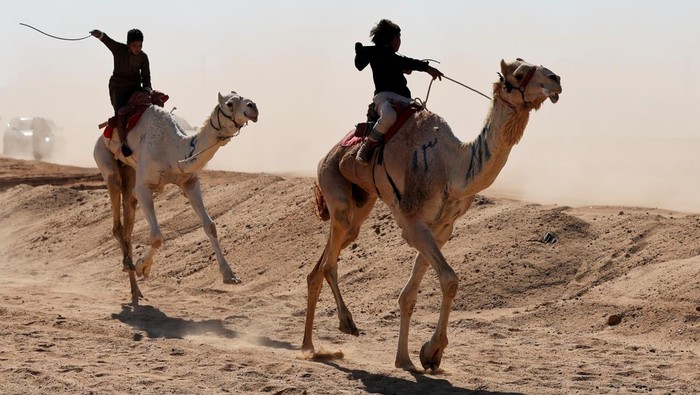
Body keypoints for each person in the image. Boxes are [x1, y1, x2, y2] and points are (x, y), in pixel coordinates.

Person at [354, 19, 443, 164]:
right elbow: (402, 61)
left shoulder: (386, 57)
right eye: (399, 37)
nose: (400, 41)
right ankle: (368, 145)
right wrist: (427, 68)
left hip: (405, 100)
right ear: (393, 38)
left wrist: (401, 68)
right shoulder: (383, 54)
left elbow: (396, 63)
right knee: (389, 116)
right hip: (384, 99)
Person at [90, 28, 152, 157]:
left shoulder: (143, 57)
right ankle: (124, 144)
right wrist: (99, 34)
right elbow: (108, 41)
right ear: (128, 44)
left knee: (151, 106)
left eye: (140, 45)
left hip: (135, 87)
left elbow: (146, 78)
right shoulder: (119, 49)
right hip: (118, 88)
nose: (138, 48)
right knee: (121, 114)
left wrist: (146, 90)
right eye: (135, 45)